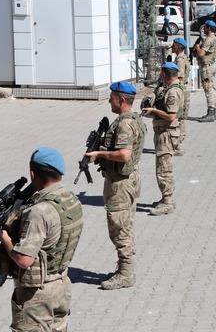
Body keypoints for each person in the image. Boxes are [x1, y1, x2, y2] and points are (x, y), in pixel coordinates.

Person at [0, 147, 83, 331]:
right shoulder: (70, 199)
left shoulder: (38, 212)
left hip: (37, 295)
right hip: (61, 285)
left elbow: (24, 259)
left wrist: (4, 238)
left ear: (32, 173)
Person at [84, 81, 146, 290]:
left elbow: (124, 154)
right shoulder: (131, 119)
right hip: (127, 180)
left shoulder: (124, 125)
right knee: (125, 225)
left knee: (119, 228)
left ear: (121, 99)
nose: (109, 100)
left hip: (120, 184)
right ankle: (124, 267)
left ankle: (126, 274)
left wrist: (99, 154)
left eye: (111, 97)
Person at [143, 62, 184, 215]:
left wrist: (154, 111)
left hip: (167, 134)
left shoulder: (173, 92)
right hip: (162, 133)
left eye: (161, 73)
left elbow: (171, 116)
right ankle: (165, 198)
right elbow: (158, 92)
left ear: (165, 74)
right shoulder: (167, 88)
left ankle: (168, 202)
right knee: (162, 168)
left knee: (164, 170)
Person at [196, 21, 216, 122]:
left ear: (209, 28)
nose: (204, 29)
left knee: (209, 90)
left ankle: (211, 113)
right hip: (211, 66)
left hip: (207, 68)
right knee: (211, 89)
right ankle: (211, 112)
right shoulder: (214, 38)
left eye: (205, 27)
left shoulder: (209, 39)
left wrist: (197, 48)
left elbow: (201, 53)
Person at [171, 37, 190, 155]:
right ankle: (178, 145)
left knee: (179, 119)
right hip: (182, 90)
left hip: (180, 91)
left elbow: (180, 77)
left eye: (173, 45)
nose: (172, 46)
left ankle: (178, 146)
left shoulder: (180, 60)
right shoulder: (180, 58)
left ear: (178, 46)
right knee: (180, 118)